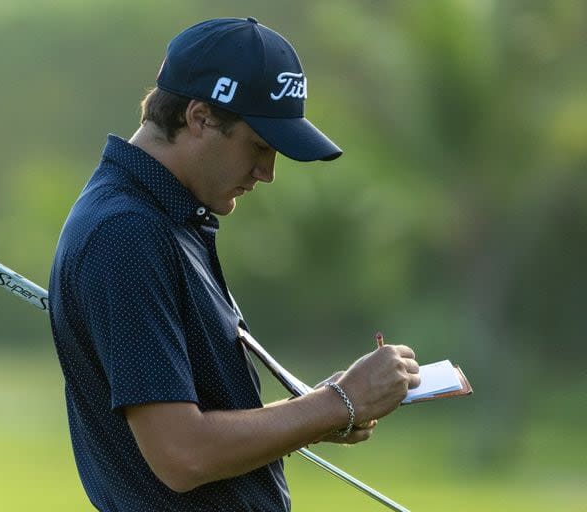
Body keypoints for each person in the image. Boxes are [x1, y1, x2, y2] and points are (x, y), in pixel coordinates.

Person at [48, 17, 420, 511]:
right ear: (200, 117)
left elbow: (200, 422)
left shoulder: (167, 218)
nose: (267, 173)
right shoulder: (126, 234)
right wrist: (338, 402)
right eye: (260, 146)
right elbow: (183, 454)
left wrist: (320, 412)